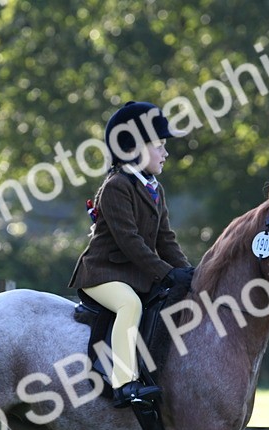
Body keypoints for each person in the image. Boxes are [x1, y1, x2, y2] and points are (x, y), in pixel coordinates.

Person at [69, 101, 193, 408]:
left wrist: (188, 273)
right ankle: (125, 384)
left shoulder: (154, 188)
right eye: (159, 146)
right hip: (101, 274)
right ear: (134, 148)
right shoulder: (116, 187)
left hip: (133, 274)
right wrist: (166, 273)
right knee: (130, 304)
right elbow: (131, 242)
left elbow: (165, 239)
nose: (165, 153)